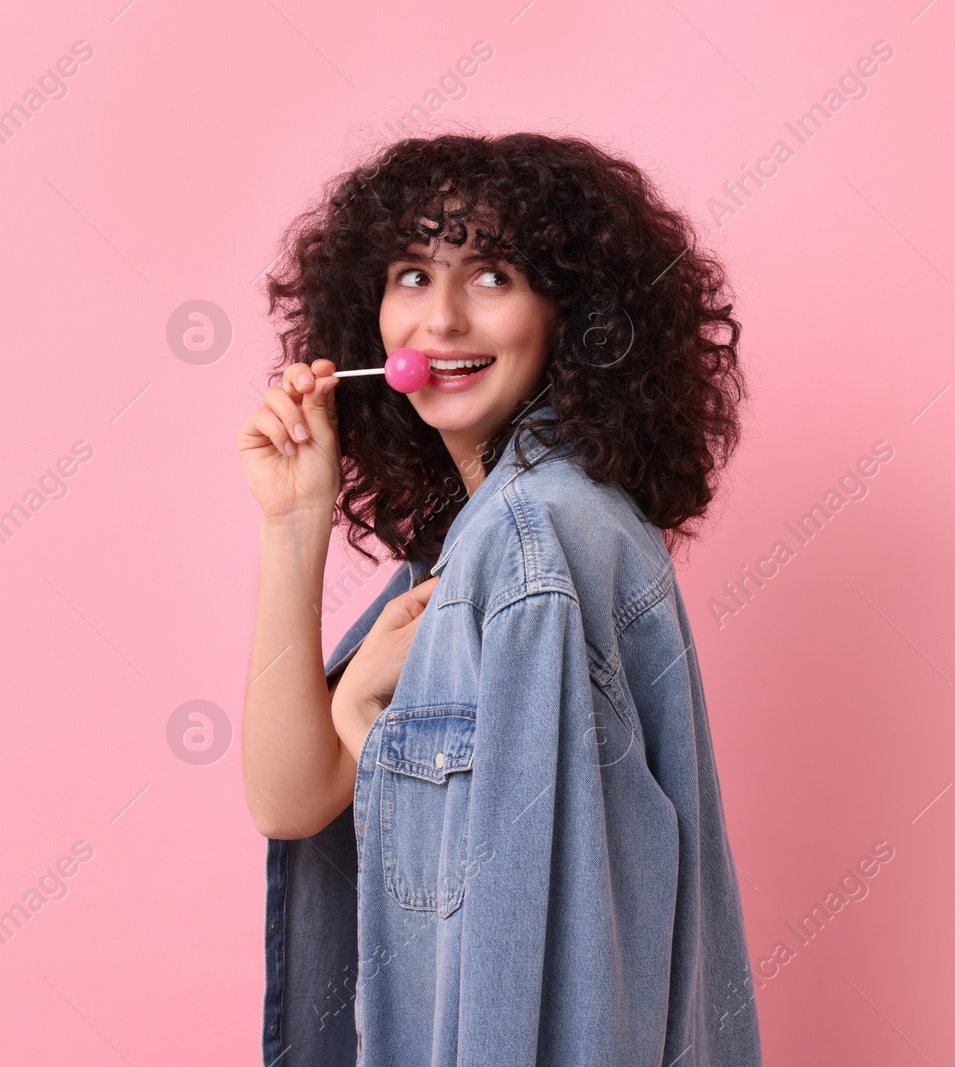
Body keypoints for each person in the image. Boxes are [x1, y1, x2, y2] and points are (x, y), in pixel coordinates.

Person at [236, 132, 762, 1066]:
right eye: (410, 272)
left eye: (490, 276)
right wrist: (295, 521)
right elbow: (290, 800)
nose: (438, 320)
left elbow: (524, 941)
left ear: (575, 314)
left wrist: (365, 714)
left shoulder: (530, 547)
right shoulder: (485, 531)